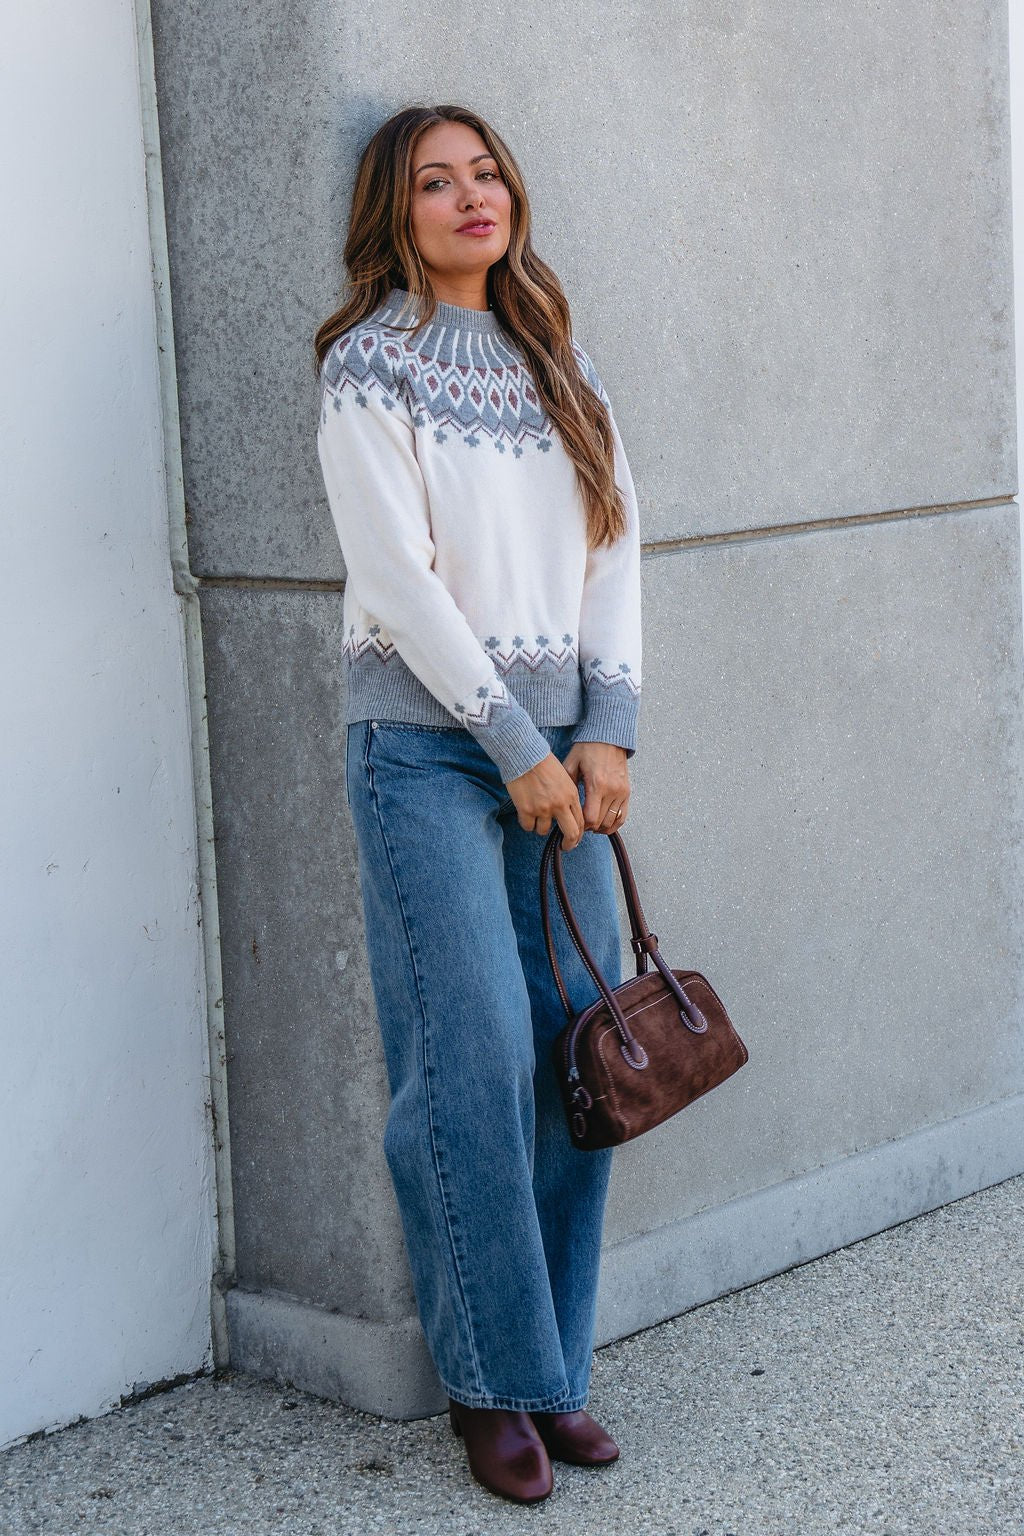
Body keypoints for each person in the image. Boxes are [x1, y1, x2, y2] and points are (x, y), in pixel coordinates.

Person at [312, 103, 642, 1505]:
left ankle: (553, 1373)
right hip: (429, 756)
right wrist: (515, 741)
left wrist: (608, 728)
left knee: (579, 1055)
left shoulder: (563, 369)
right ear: (396, 211)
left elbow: (620, 551)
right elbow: (394, 576)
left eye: (487, 172)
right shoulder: (366, 367)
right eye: (436, 182)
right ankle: (488, 1387)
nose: (470, 197)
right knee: (476, 1056)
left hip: (569, 758)